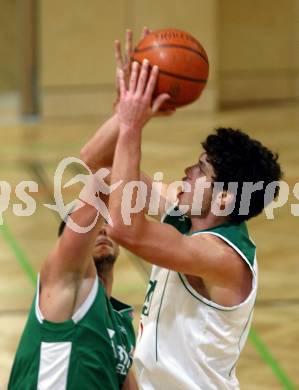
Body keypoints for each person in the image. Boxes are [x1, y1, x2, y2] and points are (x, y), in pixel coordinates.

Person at [81, 30, 282, 389]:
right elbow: (96, 163)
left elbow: (125, 229)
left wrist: (132, 126)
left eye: (201, 170)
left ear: (223, 199)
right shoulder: (183, 213)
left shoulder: (222, 258)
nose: (187, 173)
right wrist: (126, 106)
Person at [8, 203, 137, 388]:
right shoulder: (61, 290)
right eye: (92, 229)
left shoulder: (121, 323)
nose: (102, 229)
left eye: (107, 223)